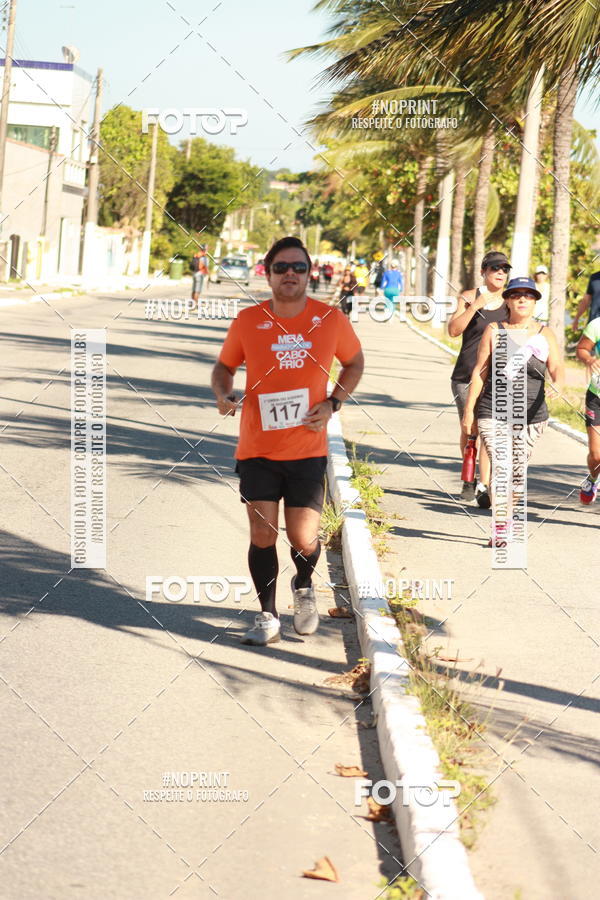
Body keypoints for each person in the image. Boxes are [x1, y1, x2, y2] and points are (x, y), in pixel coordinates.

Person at [211, 236, 364, 646]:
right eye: (282, 268)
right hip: (257, 448)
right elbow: (224, 367)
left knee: (303, 539)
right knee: (262, 535)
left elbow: (354, 363)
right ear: (268, 273)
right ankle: (266, 615)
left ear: (310, 273)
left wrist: (333, 402)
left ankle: (303, 584)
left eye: (298, 267)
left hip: (307, 449)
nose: (290, 275)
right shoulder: (248, 320)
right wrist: (224, 395)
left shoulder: (330, 320)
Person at [462, 276, 563, 546]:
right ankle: (500, 527)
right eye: (516, 294)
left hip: (532, 416)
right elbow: (480, 372)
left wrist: (557, 382)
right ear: (507, 300)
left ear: (534, 302)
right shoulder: (494, 330)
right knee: (503, 467)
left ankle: (504, 522)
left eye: (528, 296)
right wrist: (468, 411)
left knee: (517, 472)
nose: (522, 299)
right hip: (492, 411)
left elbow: (557, 368)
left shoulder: (544, 333)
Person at [448, 251, 511, 506]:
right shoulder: (468, 297)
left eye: (505, 269)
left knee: (487, 429)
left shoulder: (510, 301)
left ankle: (485, 483)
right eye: (495, 268)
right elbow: (453, 331)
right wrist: (475, 306)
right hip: (465, 374)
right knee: (469, 427)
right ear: (484, 271)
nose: (500, 273)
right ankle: (468, 478)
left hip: (496, 376)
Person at [576, 316, 600, 504]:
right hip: (597, 397)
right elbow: (582, 349)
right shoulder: (597, 325)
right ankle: (593, 479)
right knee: (596, 454)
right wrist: (590, 359)